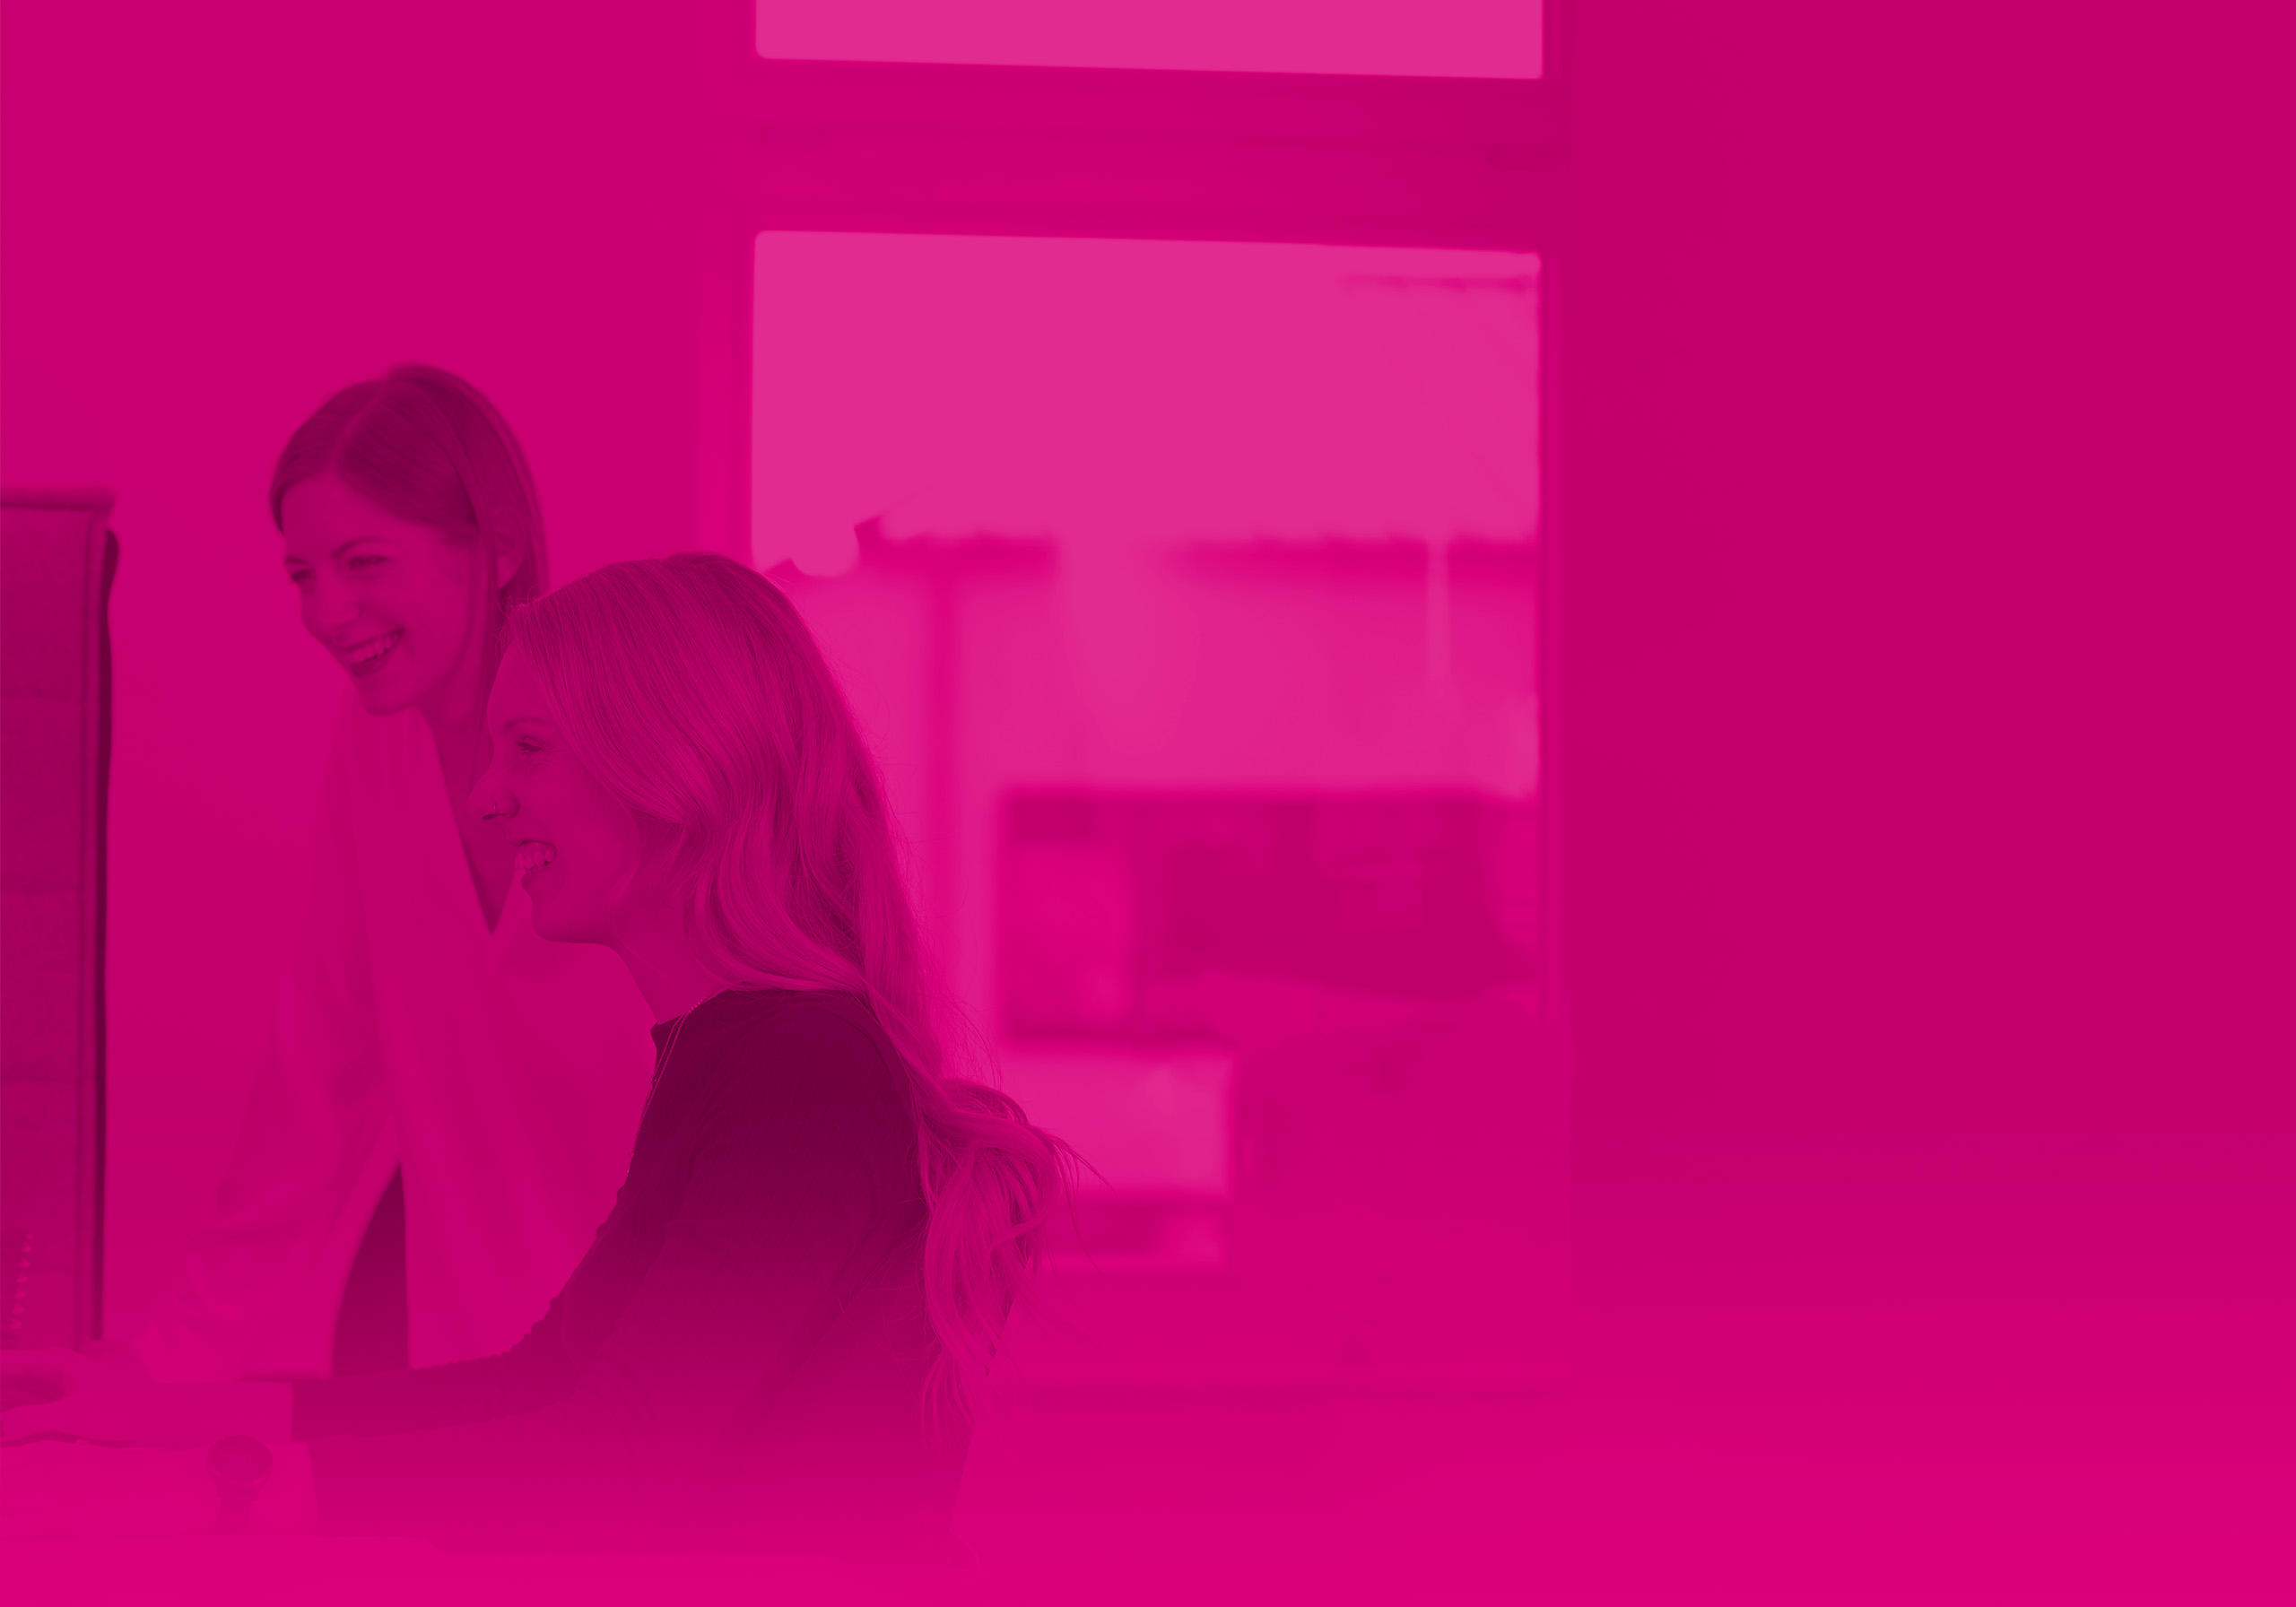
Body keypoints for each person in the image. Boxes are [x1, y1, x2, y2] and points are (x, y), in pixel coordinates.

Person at [4, 554, 1072, 1562]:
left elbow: (608, 1457)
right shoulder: (736, 1056)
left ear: (672, 767)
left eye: (529, 747)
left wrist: (220, 1492)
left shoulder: (805, 1076)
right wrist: (182, 1418)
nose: (486, 796)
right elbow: (537, 1384)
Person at [141, 367, 657, 1384]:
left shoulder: (625, 741)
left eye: (364, 563)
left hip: (642, 1360)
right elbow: (316, 1077)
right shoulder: (377, 747)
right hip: (460, 1357)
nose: (328, 611)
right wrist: (168, 1364)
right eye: (302, 575)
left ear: (497, 547)